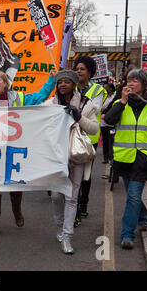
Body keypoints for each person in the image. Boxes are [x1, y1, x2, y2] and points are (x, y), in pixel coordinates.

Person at [0, 70, 56, 235]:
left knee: (15, 183)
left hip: (16, 147)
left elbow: (40, 96)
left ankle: (17, 212)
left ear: (5, 83)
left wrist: (51, 80)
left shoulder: (19, 98)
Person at [104, 69, 147, 249]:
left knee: (133, 197)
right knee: (133, 196)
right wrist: (123, 102)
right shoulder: (119, 102)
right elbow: (108, 120)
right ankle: (144, 217)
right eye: (128, 81)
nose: (130, 84)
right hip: (124, 158)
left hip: (143, 158)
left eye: (134, 81)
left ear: (144, 85)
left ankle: (127, 234)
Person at [42, 70, 99, 254]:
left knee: (72, 197)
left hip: (76, 155)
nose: (63, 85)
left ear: (74, 84)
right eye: (60, 82)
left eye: (67, 82)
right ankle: (59, 226)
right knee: (57, 196)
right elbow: (40, 124)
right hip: (56, 156)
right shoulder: (50, 104)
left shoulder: (85, 104)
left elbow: (94, 129)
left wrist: (78, 117)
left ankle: (67, 236)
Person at [73, 56, 107, 226]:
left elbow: (94, 109)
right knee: (72, 174)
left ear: (90, 72)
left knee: (85, 174)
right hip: (71, 137)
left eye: (82, 69)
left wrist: (75, 110)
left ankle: (83, 202)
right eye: (77, 68)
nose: (78, 71)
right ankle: (75, 207)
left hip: (88, 137)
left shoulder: (98, 89)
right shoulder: (69, 86)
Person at [100, 83, 116, 164]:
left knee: (111, 140)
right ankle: (105, 157)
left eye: (106, 87)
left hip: (112, 124)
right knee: (105, 140)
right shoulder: (102, 97)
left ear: (111, 89)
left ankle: (111, 157)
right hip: (103, 124)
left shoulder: (114, 97)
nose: (104, 88)